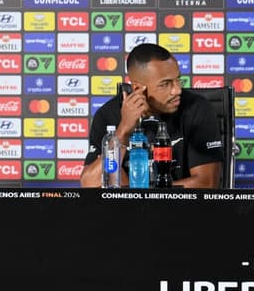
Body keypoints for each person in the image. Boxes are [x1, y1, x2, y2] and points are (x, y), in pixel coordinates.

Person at [80, 43, 223, 188]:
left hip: (182, 207)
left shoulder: (197, 109)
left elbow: (207, 184)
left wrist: (145, 193)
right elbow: (91, 183)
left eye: (178, 80)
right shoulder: (108, 114)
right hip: (127, 209)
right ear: (138, 89)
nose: (177, 90)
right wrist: (123, 132)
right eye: (165, 84)